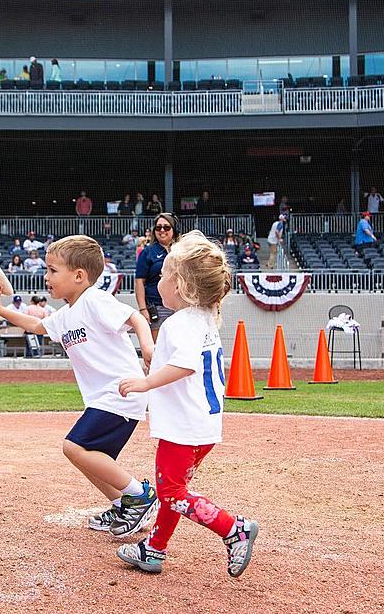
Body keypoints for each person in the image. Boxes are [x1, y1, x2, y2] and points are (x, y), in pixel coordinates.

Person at [0, 235, 158, 537]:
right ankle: (122, 505)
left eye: (53, 270)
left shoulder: (94, 300)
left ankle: (140, 495)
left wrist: (147, 346)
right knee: (85, 455)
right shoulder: (66, 315)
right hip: (103, 398)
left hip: (121, 391)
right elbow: (37, 326)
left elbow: (135, 318)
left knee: (74, 446)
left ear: (79, 276)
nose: (46, 276)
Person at [116, 231, 259, 576]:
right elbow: (181, 362)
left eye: (164, 275)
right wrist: (153, 360)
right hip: (203, 426)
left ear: (179, 286)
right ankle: (153, 549)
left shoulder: (178, 323)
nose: (157, 281)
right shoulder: (203, 318)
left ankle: (232, 528)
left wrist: (145, 383)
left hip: (183, 427)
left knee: (172, 492)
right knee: (173, 488)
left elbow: (185, 365)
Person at [135, 213, 179, 341]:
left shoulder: (182, 250)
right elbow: (139, 282)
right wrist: (143, 309)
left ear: (174, 229)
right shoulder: (147, 252)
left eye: (166, 227)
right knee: (159, 348)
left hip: (180, 306)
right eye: (158, 227)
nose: (162, 230)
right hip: (158, 307)